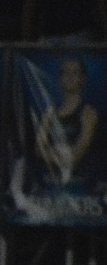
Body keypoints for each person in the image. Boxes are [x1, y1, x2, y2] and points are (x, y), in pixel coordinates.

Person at [34, 57, 98, 190]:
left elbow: (79, 151)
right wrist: (62, 155)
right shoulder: (50, 112)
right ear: (60, 78)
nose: (69, 76)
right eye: (65, 72)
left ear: (83, 79)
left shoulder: (88, 113)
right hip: (51, 182)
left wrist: (52, 153)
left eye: (74, 73)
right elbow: (39, 149)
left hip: (78, 184)